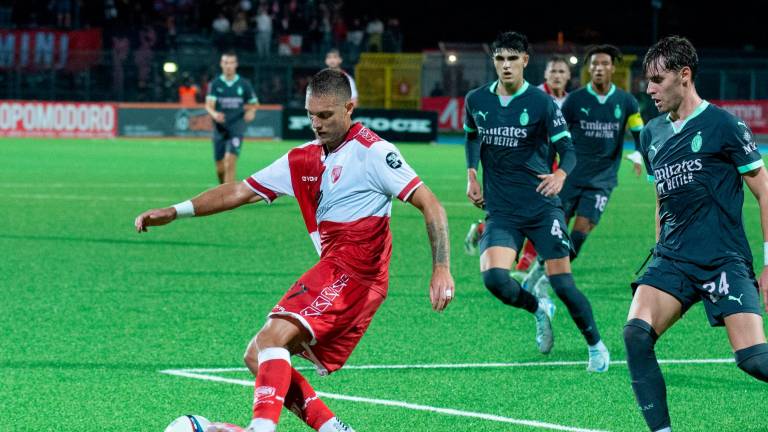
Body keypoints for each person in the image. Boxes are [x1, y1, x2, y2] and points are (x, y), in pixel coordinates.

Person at [135, 69, 454, 432]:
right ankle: (333, 428)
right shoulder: (302, 159)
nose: (315, 124)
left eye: (325, 115)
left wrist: (440, 267)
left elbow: (432, 204)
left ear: (349, 108)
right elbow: (239, 191)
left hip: (356, 273)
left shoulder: (375, 153)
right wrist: (176, 211)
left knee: (272, 337)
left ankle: (262, 429)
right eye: (310, 114)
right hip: (335, 270)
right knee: (258, 354)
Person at [626, 35, 768, 432]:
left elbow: (764, 190)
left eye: (657, 80)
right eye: (647, 81)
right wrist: (658, 248)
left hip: (723, 258)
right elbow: (662, 198)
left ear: (684, 76)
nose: (649, 90)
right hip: (673, 258)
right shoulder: (651, 132)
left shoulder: (723, 125)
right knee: (636, 335)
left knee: (754, 360)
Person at [463, 31, 609, 371]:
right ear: (494, 61)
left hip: (542, 207)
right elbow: (471, 136)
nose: (506, 65)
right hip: (501, 210)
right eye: (500, 58)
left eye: (513, 58)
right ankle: (538, 310)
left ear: (525, 61)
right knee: (495, 280)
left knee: (562, 283)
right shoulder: (476, 100)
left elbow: (568, 150)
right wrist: (471, 173)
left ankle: (596, 346)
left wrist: (560, 176)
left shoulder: (542, 103)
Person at [523, 45, 646, 298]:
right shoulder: (574, 101)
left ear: (613, 67)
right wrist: (547, 166)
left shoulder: (627, 102)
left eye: (603, 64)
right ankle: (540, 266)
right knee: (556, 228)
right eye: (594, 65)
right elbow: (557, 135)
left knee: (581, 231)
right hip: (571, 175)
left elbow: (639, 133)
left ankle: (547, 275)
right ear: (588, 69)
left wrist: (639, 154)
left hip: (602, 180)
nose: (598, 69)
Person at [205, 51, 259, 184]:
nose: (228, 66)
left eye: (231, 63)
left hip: (236, 127)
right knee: (220, 167)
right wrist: (214, 114)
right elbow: (209, 105)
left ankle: (229, 197)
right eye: (225, 63)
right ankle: (223, 189)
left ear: (236, 64)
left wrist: (252, 111)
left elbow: (254, 103)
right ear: (221, 64)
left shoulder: (244, 84)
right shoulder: (216, 84)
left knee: (230, 160)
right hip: (219, 128)